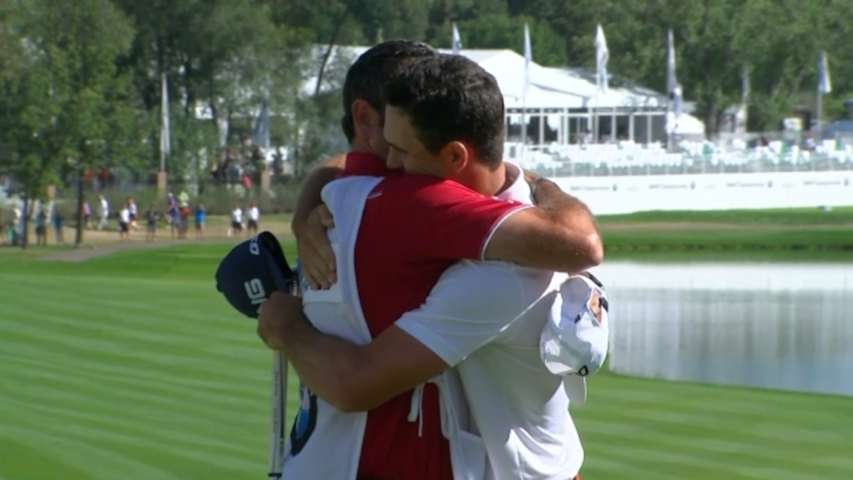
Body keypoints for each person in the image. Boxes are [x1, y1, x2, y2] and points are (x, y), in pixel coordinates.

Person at [258, 43, 602, 480]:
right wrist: (311, 204)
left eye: (402, 148)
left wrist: (284, 325)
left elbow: (354, 383)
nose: (393, 164)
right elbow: (348, 167)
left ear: (455, 156)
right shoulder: (518, 203)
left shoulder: (500, 272)